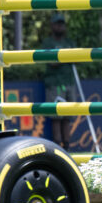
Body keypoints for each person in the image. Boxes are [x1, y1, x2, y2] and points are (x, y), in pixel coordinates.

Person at [39, 13, 77, 150]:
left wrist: (61, 57)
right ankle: (57, 146)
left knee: (67, 117)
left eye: (62, 24)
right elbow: (51, 62)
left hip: (69, 82)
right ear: (52, 26)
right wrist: (65, 57)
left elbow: (76, 58)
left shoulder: (70, 42)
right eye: (58, 24)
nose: (60, 26)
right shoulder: (48, 43)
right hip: (54, 83)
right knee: (56, 117)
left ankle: (66, 146)